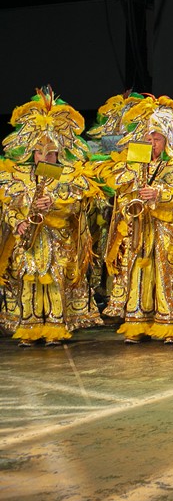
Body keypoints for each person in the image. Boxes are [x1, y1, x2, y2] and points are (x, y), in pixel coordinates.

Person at [100, 96, 173, 344]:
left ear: (167, 140)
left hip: (168, 230)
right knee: (138, 272)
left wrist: (159, 195)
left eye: (157, 139)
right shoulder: (132, 166)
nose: (152, 143)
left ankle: (168, 323)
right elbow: (120, 195)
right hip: (138, 229)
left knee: (167, 273)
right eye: (148, 139)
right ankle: (137, 323)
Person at [0, 87, 103, 345]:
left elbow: (77, 207)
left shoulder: (68, 176)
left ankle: (56, 326)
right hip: (28, 242)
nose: (43, 156)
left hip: (58, 240)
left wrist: (54, 202)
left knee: (55, 279)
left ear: (59, 153)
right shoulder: (18, 176)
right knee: (28, 279)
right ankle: (30, 328)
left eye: (49, 153)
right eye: (38, 152)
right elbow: (9, 207)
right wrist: (18, 223)